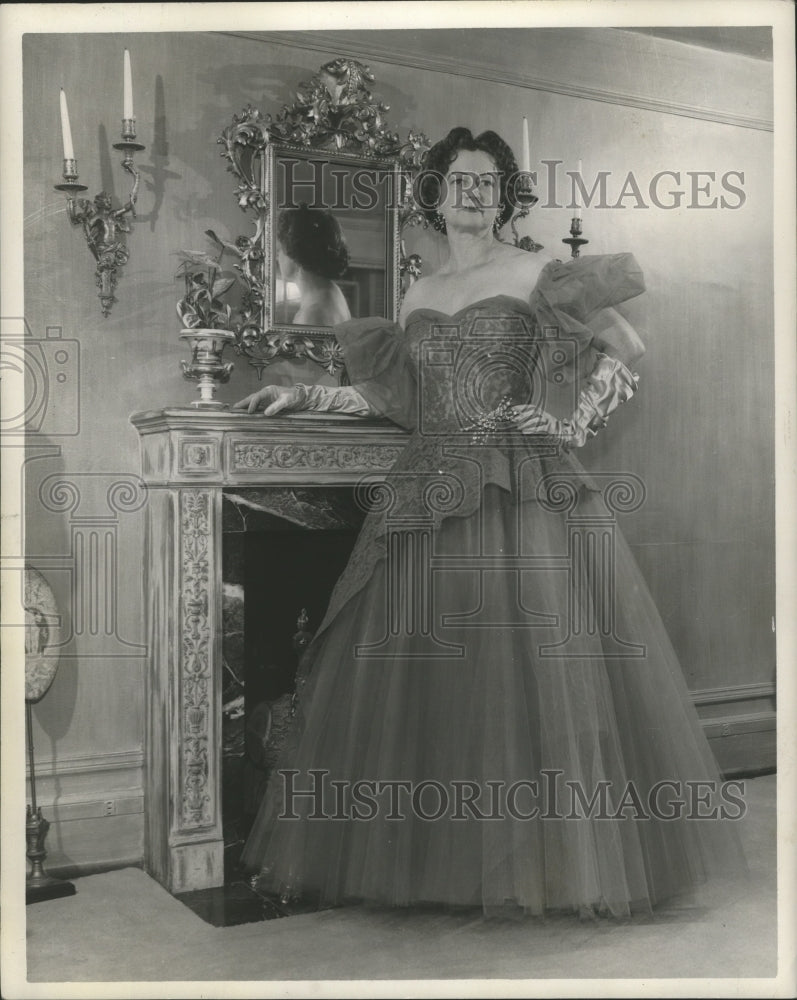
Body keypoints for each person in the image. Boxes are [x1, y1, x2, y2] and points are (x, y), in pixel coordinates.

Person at [233, 127, 746, 919]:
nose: (472, 195)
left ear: (504, 198)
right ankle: (441, 864)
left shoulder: (535, 270)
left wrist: (566, 423)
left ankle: (550, 865)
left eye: (487, 184)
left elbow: (626, 347)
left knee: (531, 676)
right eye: (458, 183)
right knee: (436, 681)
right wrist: (300, 396)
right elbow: (394, 400)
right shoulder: (414, 294)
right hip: (429, 488)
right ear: (432, 197)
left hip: (517, 489)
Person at [276, 203, 351, 327]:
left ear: (294, 253)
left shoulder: (312, 314)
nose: (278, 258)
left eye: (279, 250)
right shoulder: (332, 291)